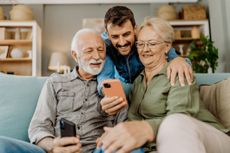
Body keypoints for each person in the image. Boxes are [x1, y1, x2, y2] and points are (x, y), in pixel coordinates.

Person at [97, 18, 230, 153]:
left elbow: (180, 118)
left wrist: (144, 128)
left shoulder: (179, 72)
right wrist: (115, 135)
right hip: (160, 144)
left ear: (167, 46)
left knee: (174, 122)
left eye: (152, 43)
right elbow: (133, 122)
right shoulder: (138, 81)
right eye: (141, 44)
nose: (145, 49)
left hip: (208, 138)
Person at [0, 28, 133, 153]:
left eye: (100, 49)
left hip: (98, 149)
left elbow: (124, 128)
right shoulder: (56, 82)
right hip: (56, 150)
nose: (97, 56)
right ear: (75, 56)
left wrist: (112, 138)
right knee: (2, 144)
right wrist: (53, 146)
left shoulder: (112, 86)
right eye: (89, 51)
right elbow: (39, 126)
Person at [97, 5, 193, 97]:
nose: (122, 42)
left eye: (126, 34)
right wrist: (111, 95)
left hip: (149, 90)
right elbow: (104, 80)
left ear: (135, 29)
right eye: (115, 37)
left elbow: (171, 53)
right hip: (131, 95)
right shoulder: (105, 47)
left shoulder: (144, 39)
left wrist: (177, 60)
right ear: (107, 34)